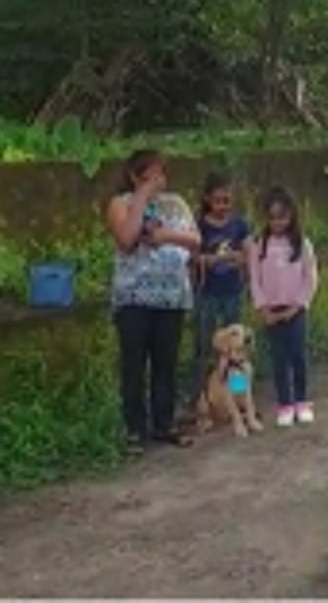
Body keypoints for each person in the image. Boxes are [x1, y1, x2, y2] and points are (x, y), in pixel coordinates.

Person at [106, 149, 202, 452]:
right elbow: (126, 238)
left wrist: (165, 237)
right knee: (134, 365)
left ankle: (164, 423)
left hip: (171, 296)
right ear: (134, 176)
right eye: (149, 175)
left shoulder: (176, 204)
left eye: (160, 174)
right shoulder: (120, 204)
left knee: (166, 363)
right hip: (133, 297)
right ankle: (134, 429)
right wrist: (141, 198)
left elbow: (196, 241)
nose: (157, 181)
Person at [247, 186, 319, 428]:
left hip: (295, 310)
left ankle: (302, 401)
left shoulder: (302, 244)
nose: (278, 223)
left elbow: (310, 278)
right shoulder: (259, 244)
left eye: (283, 217)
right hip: (272, 311)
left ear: (292, 216)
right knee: (279, 359)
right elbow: (254, 279)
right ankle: (285, 404)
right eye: (273, 217)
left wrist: (298, 305)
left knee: (298, 356)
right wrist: (263, 309)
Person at [187, 172, 250, 406]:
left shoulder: (239, 224)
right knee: (204, 348)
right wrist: (207, 260)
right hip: (208, 294)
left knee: (236, 349)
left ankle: (239, 395)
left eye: (227, 201)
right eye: (218, 201)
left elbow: (248, 252)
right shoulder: (199, 225)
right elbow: (192, 256)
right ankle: (201, 397)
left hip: (232, 291)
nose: (223, 206)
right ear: (207, 200)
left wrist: (239, 257)